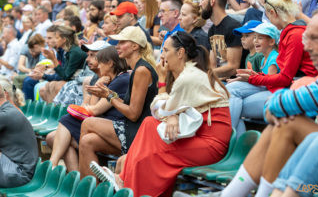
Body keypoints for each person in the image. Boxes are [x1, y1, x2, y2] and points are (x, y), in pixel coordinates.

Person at [220, 6, 318, 197]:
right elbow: (279, 104)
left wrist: (278, 104)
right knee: (286, 123)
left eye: (315, 38)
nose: (307, 46)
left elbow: (276, 104)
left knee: (301, 129)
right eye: (307, 38)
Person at [91, 31, 232, 196]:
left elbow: (159, 109)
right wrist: (171, 113)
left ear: (180, 53)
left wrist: (163, 83)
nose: (162, 56)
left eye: (165, 51)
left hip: (210, 144)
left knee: (145, 157)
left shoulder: (188, 77)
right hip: (196, 135)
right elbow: (163, 111)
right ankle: (123, 179)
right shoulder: (184, 74)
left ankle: (130, 187)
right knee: (149, 124)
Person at [226, 0, 318, 135]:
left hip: (294, 90)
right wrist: (253, 76)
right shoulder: (289, 32)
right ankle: (233, 146)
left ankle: (229, 144)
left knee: (236, 106)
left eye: (268, 16)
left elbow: (285, 78)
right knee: (231, 91)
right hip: (281, 85)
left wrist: (253, 78)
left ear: (273, 13)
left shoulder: (295, 34)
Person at [78, 26, 158, 177]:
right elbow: (129, 105)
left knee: (88, 123)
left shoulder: (141, 70)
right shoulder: (136, 69)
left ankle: (91, 185)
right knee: (87, 141)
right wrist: (108, 94)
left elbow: (133, 114)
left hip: (139, 132)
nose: (117, 46)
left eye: (122, 42)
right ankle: (93, 189)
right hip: (133, 128)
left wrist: (109, 96)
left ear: (135, 46)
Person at [48, 46, 130, 171]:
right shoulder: (111, 79)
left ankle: (53, 165)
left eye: (100, 62)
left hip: (115, 128)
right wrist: (98, 85)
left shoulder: (122, 80)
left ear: (110, 63)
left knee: (66, 120)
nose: (98, 66)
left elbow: (94, 110)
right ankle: (75, 177)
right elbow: (92, 109)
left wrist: (98, 86)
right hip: (104, 124)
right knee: (57, 137)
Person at [36, 25, 87, 103]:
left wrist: (53, 59)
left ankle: (57, 113)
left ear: (64, 39)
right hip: (73, 80)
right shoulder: (69, 51)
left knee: (55, 86)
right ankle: (52, 112)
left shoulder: (75, 52)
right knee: (47, 86)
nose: (55, 41)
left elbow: (66, 76)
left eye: (57, 38)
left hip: (80, 83)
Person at [201, 0, 242, 79]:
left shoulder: (233, 27)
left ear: (212, 1)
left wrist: (204, 74)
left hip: (233, 81)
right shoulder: (212, 30)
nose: (200, 3)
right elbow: (212, 65)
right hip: (218, 79)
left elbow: (233, 67)